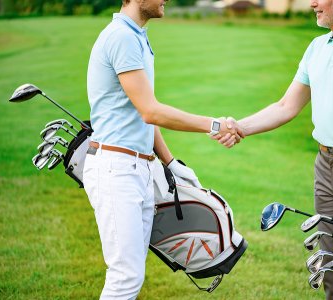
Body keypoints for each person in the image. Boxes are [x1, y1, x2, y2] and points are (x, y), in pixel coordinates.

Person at [215, 0, 333, 298]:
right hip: (325, 167)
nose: (312, 3)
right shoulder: (317, 47)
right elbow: (286, 106)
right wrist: (240, 127)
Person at [83, 0, 241, 299]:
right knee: (124, 277)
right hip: (116, 169)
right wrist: (215, 125)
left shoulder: (137, 35)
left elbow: (142, 110)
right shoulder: (122, 37)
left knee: (131, 274)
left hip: (137, 168)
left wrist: (170, 163)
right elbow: (151, 111)